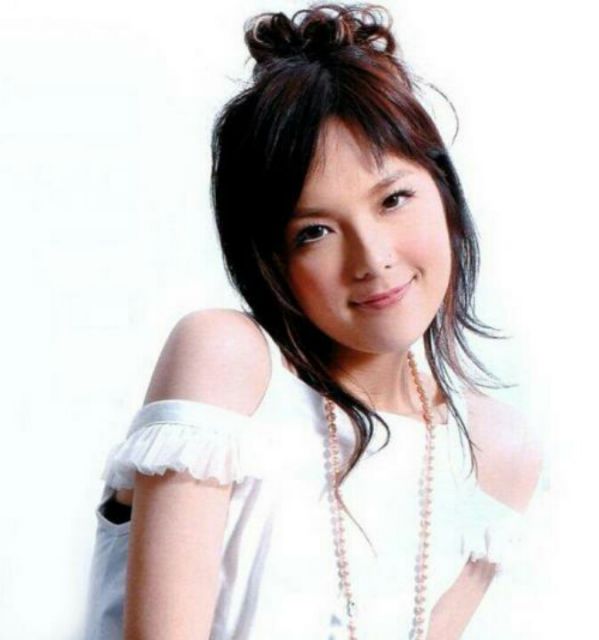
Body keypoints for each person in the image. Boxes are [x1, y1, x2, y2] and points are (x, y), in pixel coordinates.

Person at [83, 3, 545, 638]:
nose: (373, 259)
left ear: (443, 191)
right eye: (316, 231)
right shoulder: (230, 361)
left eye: (393, 199)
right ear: (270, 259)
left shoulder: (498, 451)